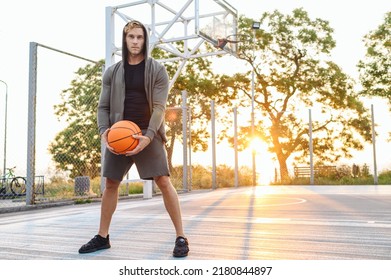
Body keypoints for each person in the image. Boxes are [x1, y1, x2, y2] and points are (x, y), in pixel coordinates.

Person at [78, 20, 189, 258]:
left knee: (163, 181)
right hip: (119, 135)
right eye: (131, 38)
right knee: (110, 184)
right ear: (125, 40)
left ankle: (181, 236)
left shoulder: (157, 70)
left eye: (140, 37)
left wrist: (148, 137)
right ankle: (102, 236)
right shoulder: (112, 72)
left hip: (147, 133)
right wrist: (103, 132)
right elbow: (102, 107)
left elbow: (159, 108)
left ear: (145, 40)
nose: (136, 42)